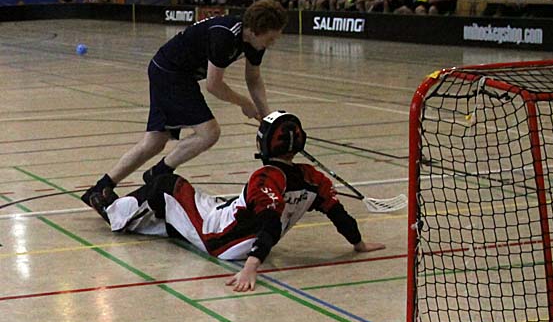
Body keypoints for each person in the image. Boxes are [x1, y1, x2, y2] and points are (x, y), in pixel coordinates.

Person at [99, 111, 386, 292]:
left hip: (219, 238)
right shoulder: (314, 178)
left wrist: (250, 267)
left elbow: (271, 221)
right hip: (241, 236)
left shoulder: (266, 178)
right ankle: (158, 223)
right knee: (183, 212)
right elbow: (338, 213)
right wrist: (358, 243)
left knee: (165, 184)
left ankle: (111, 210)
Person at [81, 0, 288, 216]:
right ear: (256, 30)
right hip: (171, 73)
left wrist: (267, 117)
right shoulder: (225, 35)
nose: (272, 43)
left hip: (170, 72)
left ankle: (101, 187)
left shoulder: (254, 43)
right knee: (209, 132)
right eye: (270, 38)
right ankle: (159, 173)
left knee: (154, 142)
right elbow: (214, 85)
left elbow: (253, 79)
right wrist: (244, 103)